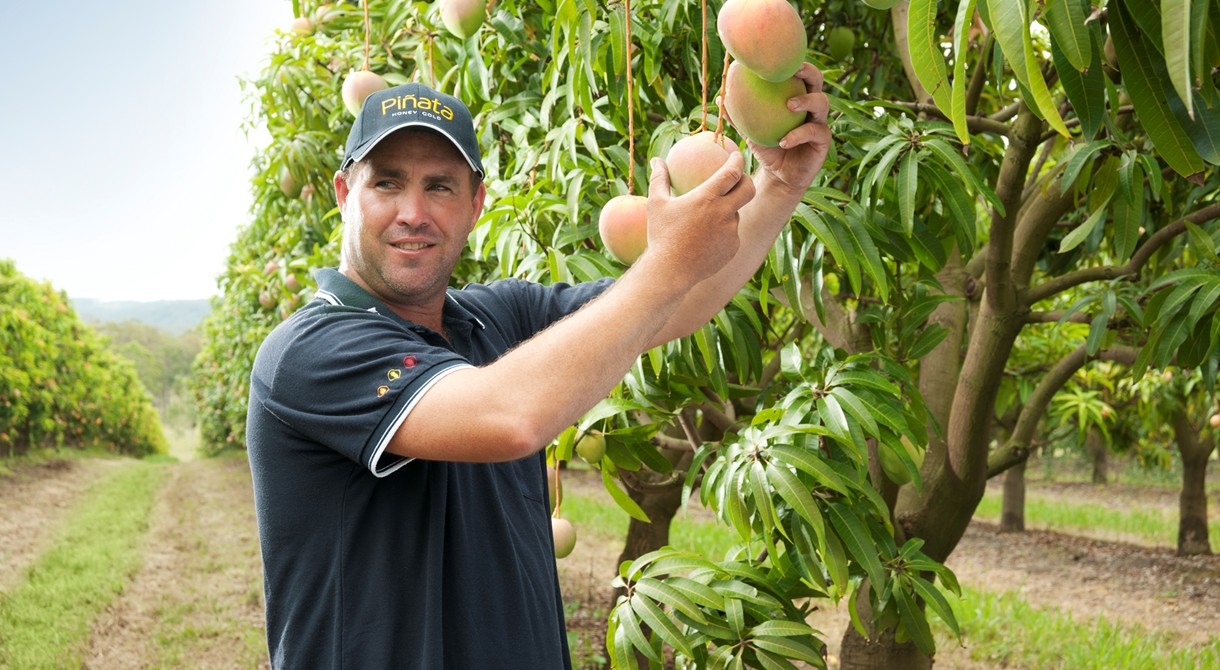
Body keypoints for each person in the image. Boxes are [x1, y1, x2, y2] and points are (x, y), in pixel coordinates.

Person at [246, 67, 831, 669]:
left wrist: (780, 185)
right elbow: (507, 417)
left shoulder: (494, 318)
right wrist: (669, 264)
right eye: (387, 184)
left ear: (476, 204)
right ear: (347, 195)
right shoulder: (312, 348)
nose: (413, 212)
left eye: (441, 187)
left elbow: (667, 308)